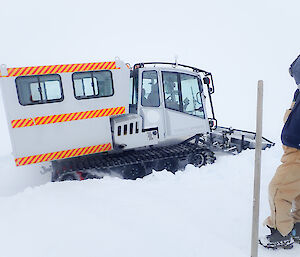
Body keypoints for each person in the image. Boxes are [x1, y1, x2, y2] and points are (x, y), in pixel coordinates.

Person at [260, 55, 300, 249]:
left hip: (297, 154)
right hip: (294, 151)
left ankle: (281, 233)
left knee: (278, 190)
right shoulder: (299, 94)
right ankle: (298, 227)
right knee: (298, 192)